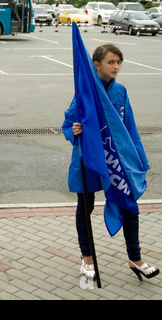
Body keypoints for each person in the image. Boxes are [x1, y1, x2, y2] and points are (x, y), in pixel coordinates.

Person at [62, 43, 159, 281]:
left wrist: (140, 161)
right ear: (96, 65)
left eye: (118, 62)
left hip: (118, 162)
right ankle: (87, 258)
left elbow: (129, 129)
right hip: (90, 160)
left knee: (128, 204)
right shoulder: (85, 93)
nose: (116, 67)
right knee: (85, 207)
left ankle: (135, 258)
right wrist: (74, 131)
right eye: (111, 62)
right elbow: (67, 125)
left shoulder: (120, 91)